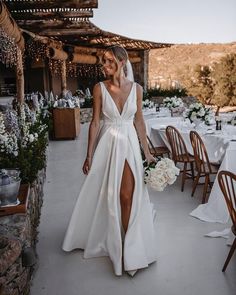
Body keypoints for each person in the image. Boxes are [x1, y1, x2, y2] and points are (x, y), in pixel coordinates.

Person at [62, 45, 158, 276]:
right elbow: (95, 122)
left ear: (122, 62)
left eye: (108, 61)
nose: (104, 66)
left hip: (130, 146)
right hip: (108, 144)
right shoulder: (99, 88)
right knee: (108, 193)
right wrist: (89, 154)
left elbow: (139, 122)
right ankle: (112, 239)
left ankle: (129, 246)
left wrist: (147, 152)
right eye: (103, 61)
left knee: (127, 195)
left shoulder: (137, 89)